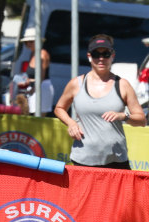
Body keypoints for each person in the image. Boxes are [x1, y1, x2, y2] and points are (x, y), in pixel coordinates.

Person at [54, 34, 147, 169]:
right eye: (96, 54)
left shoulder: (122, 85)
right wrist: (71, 123)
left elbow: (142, 120)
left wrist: (123, 116)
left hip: (116, 160)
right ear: (89, 56)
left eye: (106, 54)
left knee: (121, 192)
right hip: (83, 159)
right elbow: (59, 108)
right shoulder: (76, 84)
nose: (101, 58)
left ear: (112, 55)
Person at [15, 27, 54, 116]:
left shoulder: (42, 54)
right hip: (33, 88)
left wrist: (33, 89)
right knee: (30, 115)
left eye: (31, 41)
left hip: (42, 88)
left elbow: (41, 76)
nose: (28, 44)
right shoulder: (32, 54)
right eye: (26, 42)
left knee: (39, 118)